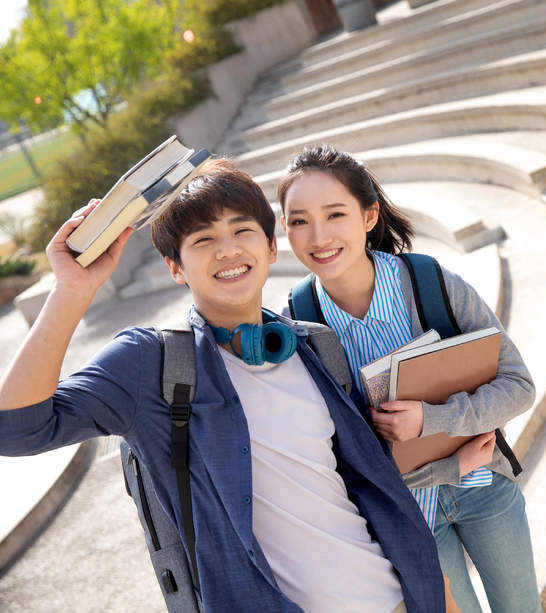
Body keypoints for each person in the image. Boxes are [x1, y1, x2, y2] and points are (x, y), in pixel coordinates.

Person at [0, 158, 452, 613]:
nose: (228, 250)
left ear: (271, 248)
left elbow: (371, 485)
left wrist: (439, 590)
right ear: (175, 267)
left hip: (395, 596)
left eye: (242, 231)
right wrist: (71, 290)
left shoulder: (314, 346)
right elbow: (15, 428)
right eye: (203, 239)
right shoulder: (148, 363)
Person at [277, 144, 542, 613]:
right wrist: (447, 465)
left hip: (485, 490)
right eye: (299, 220)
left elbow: (518, 386)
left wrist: (433, 418)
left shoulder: (431, 284)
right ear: (285, 228)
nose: (318, 236)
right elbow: (335, 459)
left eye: (335, 214)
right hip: (407, 523)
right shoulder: (297, 327)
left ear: (369, 215)